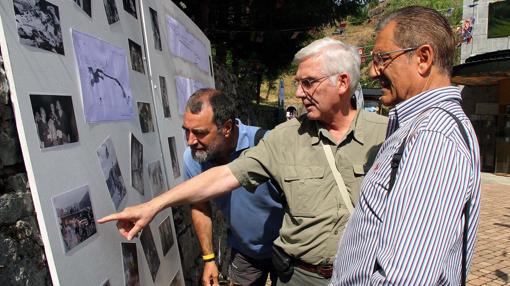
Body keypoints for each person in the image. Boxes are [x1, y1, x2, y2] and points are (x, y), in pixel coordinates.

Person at [98, 37, 388, 285]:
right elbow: (223, 178)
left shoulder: (388, 134)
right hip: (297, 274)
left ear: (343, 83)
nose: (299, 93)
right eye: (298, 83)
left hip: (363, 274)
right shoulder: (284, 138)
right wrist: (152, 206)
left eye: (308, 82)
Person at [330, 6, 481, 285]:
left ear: (423, 58)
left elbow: (404, 278)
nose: (373, 71)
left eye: (382, 59)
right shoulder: (419, 126)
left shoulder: (433, 136)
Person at [182, 88, 283, 286]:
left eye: (199, 133)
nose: (190, 141)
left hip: (287, 251)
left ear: (227, 128)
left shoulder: (267, 144)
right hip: (245, 254)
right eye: (186, 130)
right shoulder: (194, 159)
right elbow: (200, 206)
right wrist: (209, 259)